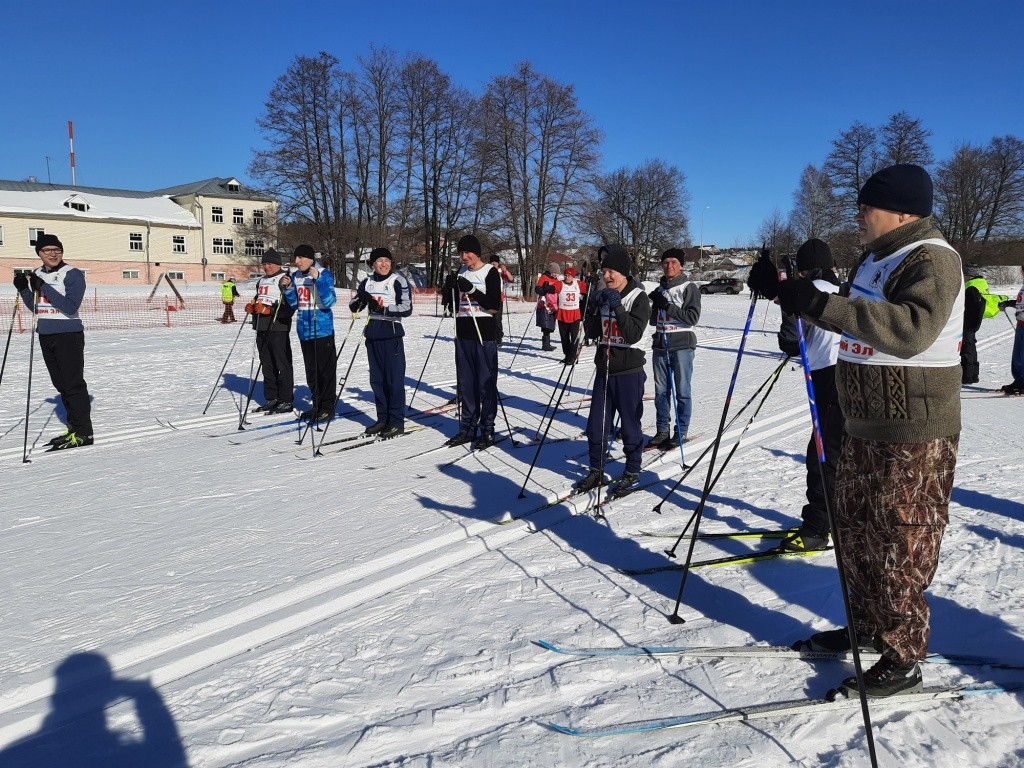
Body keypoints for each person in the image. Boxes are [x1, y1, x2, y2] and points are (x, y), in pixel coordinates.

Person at [748, 164, 964, 699]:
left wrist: (821, 301)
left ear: (903, 212)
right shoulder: (874, 258)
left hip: (913, 428)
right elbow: (850, 316)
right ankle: (868, 625)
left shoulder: (932, 258)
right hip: (864, 422)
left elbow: (911, 329)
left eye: (868, 207)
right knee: (858, 531)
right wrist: (787, 293)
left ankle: (903, 656)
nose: (859, 216)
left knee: (900, 538)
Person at [759, 239, 844, 554]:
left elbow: (791, 343)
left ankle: (818, 529)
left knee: (822, 456)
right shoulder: (844, 290)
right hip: (852, 375)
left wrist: (787, 308)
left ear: (804, 270)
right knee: (842, 453)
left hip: (827, 378)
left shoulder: (809, 290)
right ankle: (838, 519)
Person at [574, 244, 652, 499]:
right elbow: (593, 332)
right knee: (596, 426)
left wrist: (617, 307)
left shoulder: (638, 298)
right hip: (604, 370)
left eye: (611, 272)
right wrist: (591, 306)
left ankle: (632, 470)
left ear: (624, 273)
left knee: (630, 426)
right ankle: (596, 469)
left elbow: (632, 334)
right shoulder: (606, 294)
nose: (606, 276)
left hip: (629, 372)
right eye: (604, 271)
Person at [13, 234, 94, 450]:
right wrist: (24, 289)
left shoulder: (72, 274)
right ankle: (73, 429)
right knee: (61, 384)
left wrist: (44, 287)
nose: (53, 254)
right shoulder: (38, 274)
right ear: (39, 253)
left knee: (73, 384)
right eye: (47, 250)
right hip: (46, 334)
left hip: (68, 335)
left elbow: (70, 306)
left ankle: (84, 433)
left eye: (57, 249)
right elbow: (37, 308)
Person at [445, 234, 503, 449]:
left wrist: (472, 290)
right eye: (461, 253)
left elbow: (494, 305)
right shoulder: (461, 271)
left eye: (467, 252)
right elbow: (455, 304)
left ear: (477, 253)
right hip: (464, 332)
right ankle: (468, 428)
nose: (464, 256)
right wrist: (449, 289)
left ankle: (487, 430)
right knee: (467, 385)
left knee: (485, 385)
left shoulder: (489, 272)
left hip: (483, 333)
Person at [349, 247, 413, 438]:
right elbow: (353, 306)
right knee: (377, 381)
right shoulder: (367, 282)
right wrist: (361, 300)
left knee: (393, 381)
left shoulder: (398, 280)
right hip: (373, 335)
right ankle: (382, 419)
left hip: (391, 336)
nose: (384, 264)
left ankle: (396, 421)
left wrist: (383, 308)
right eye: (379, 261)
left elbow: (406, 308)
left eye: (387, 260)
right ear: (373, 264)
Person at [646, 247, 701, 451]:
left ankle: (681, 431)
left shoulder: (689, 287)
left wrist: (667, 306)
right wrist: (655, 305)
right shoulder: (660, 288)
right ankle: (662, 430)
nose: (669, 266)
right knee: (661, 391)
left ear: (681, 266)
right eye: (666, 262)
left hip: (682, 345)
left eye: (674, 262)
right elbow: (654, 321)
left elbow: (692, 317)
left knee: (682, 391)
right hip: (660, 344)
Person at [281, 244, 337, 422]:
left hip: (322, 331)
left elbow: (329, 301)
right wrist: (289, 289)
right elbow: (294, 304)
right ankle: (317, 405)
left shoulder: (324, 273)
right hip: (304, 332)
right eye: (296, 258)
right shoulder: (296, 276)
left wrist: (318, 279)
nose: (297, 261)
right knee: (312, 373)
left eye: (301, 258)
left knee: (325, 372)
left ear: (310, 259)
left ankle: (327, 407)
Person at [248, 248, 295, 415]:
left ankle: (286, 399)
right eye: (264, 264)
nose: (266, 266)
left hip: (278, 326)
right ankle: (271, 398)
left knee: (282, 364)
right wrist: (253, 307)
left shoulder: (285, 278)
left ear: (278, 264)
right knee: (267, 364)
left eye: (270, 263)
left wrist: (271, 309)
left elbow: (290, 305)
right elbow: (259, 298)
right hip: (261, 326)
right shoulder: (261, 280)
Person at [998, 264, 1024, 395]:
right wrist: (1009, 303)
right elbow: (1021, 302)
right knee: (1018, 355)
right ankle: (1019, 380)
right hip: (1021, 324)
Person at [554, 266, 586, 364]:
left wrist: (591, 280)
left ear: (573, 276)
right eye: (565, 275)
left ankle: (573, 357)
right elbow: (552, 288)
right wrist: (544, 289)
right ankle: (567, 355)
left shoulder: (578, 284)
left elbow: (589, 289)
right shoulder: (560, 284)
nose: (567, 277)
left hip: (574, 314)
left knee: (574, 337)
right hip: (562, 314)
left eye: (569, 275)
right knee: (564, 338)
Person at [534, 262, 560, 351]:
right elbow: (537, 289)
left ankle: (547, 343)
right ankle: (545, 344)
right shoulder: (544, 277)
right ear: (551, 271)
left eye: (557, 273)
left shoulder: (556, 280)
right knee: (545, 325)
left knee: (550, 325)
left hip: (553, 305)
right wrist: (543, 290)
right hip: (544, 305)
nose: (555, 274)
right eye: (554, 272)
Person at [489, 254, 514, 346]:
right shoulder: (486, 271)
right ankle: (491, 337)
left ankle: (498, 338)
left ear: (498, 263)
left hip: (499, 298)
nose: (493, 263)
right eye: (492, 261)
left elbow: (511, 279)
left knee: (497, 319)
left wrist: (505, 270)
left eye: (495, 262)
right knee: (489, 319)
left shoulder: (500, 272)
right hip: (488, 297)